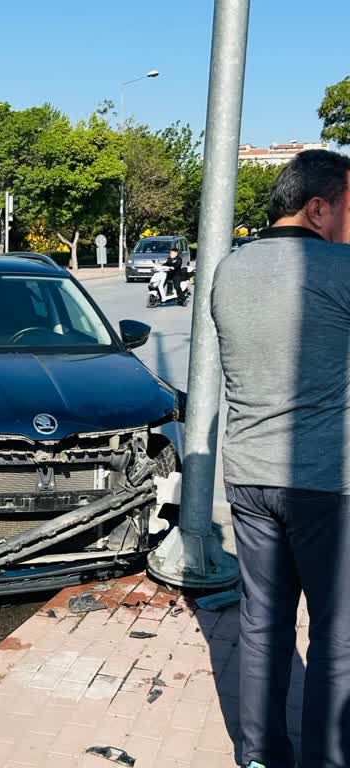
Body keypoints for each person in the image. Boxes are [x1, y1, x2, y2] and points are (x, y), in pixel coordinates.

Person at [211, 149, 350, 768]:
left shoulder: (229, 269)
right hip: (326, 483)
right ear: (318, 208)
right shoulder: (342, 269)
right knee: (337, 637)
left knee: (262, 624)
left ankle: (261, 756)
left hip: (248, 477)